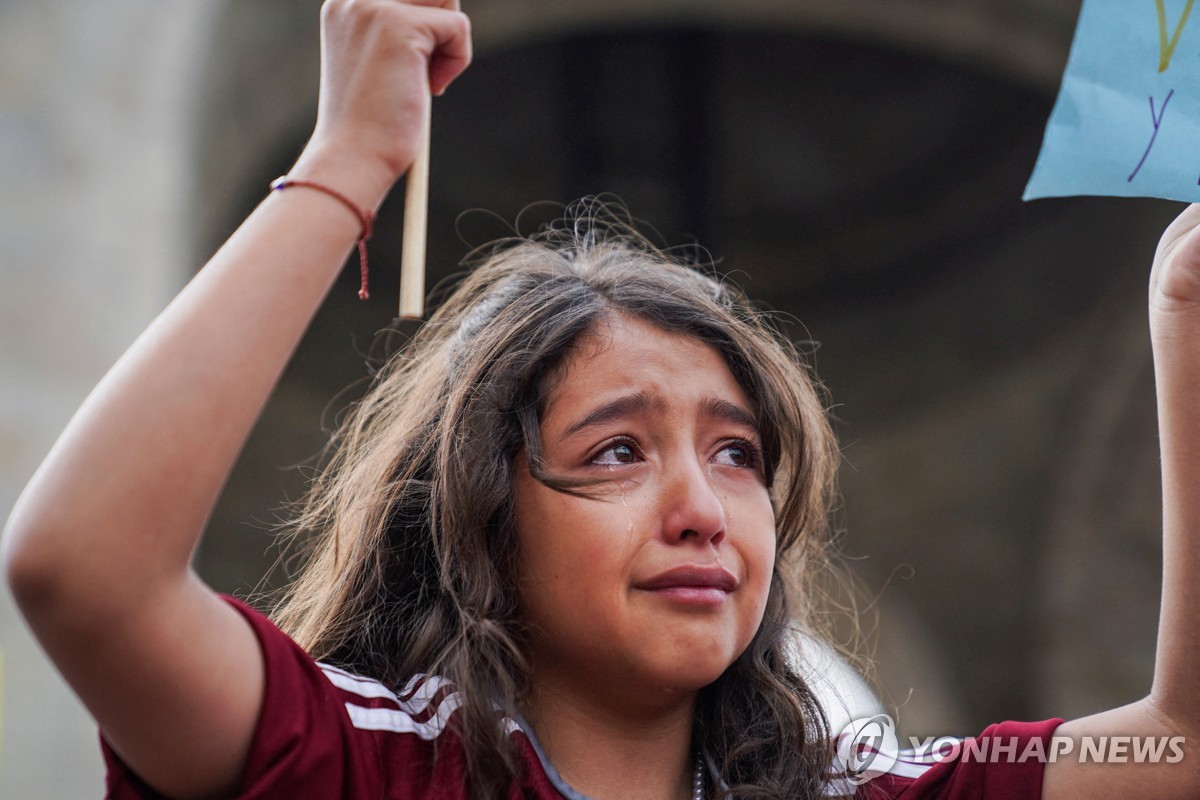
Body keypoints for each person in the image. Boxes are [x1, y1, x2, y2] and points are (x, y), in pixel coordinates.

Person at [2, 1, 1198, 798]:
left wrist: (1184, 312)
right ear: (482, 512)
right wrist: (349, 158)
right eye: (618, 450)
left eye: (738, 455)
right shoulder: (355, 761)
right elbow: (83, 569)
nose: (701, 507)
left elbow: (1176, 745)